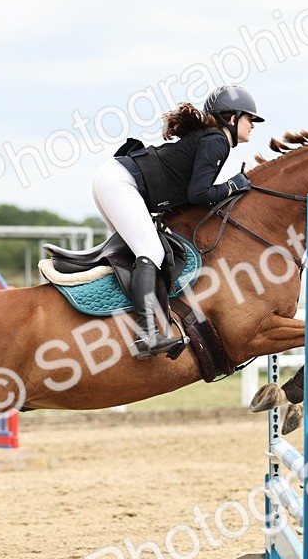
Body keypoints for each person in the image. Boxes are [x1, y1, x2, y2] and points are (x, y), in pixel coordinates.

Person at [91, 84, 263, 359]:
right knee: (151, 252)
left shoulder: (211, 138)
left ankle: (118, 324)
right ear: (231, 118)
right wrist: (234, 185)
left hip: (115, 179)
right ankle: (147, 334)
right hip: (121, 183)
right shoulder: (217, 140)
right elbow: (199, 194)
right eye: (249, 118)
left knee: (134, 254)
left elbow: (189, 193)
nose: (253, 124)